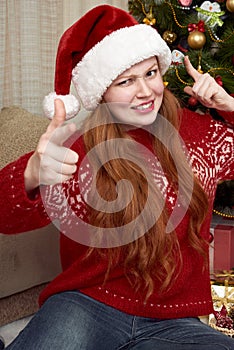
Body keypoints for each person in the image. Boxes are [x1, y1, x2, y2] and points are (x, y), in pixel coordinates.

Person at [0, 4, 233, 350]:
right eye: (126, 81)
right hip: (87, 304)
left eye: (150, 73)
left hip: (174, 321)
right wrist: (32, 173)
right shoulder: (77, 148)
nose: (144, 91)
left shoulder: (200, 135)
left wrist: (230, 109)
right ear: (102, 92)